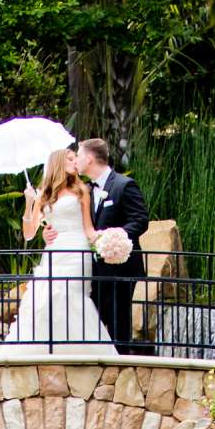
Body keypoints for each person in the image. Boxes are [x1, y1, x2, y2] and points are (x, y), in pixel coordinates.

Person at [1, 146, 115, 354]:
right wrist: (29, 203)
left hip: (77, 251)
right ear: (59, 163)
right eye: (71, 159)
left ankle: (81, 351)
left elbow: (89, 228)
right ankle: (44, 351)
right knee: (44, 298)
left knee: (74, 299)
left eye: (75, 158)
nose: (75, 162)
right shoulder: (44, 194)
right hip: (54, 252)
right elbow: (28, 232)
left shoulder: (81, 190)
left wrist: (107, 242)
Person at [75, 138, 150, 351]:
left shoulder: (124, 185)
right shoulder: (86, 190)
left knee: (119, 322)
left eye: (79, 155)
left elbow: (140, 220)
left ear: (89, 158)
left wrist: (116, 237)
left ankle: (120, 368)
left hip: (121, 266)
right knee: (93, 321)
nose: (77, 161)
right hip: (95, 269)